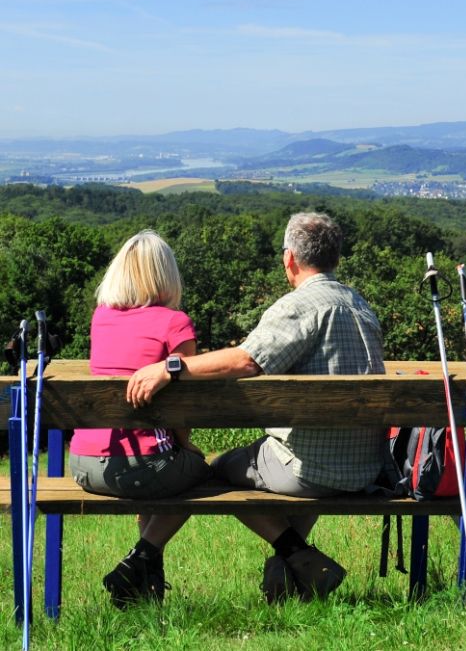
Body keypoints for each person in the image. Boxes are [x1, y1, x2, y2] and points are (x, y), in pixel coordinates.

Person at [127, 211, 389, 603]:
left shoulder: (299, 307)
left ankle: (295, 556)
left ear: (290, 260)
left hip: (309, 470)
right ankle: (289, 579)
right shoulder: (360, 305)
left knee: (216, 472)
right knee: (305, 451)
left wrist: (172, 366)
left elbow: (247, 360)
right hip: (366, 465)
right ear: (335, 257)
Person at [69, 230, 211, 608]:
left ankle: (143, 589)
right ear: (167, 275)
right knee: (201, 475)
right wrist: (186, 445)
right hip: (137, 467)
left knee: (163, 475)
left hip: (82, 464)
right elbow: (183, 407)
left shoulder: (101, 317)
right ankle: (137, 564)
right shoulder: (174, 322)